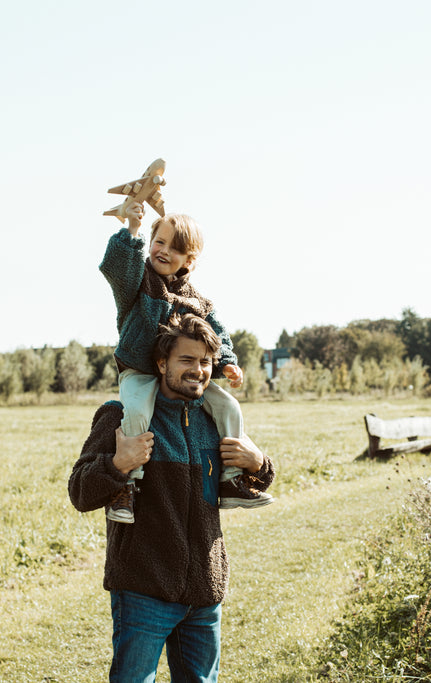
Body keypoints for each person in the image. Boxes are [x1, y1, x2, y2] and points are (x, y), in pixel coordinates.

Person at [68, 313, 276, 681]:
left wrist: (260, 464)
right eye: (186, 360)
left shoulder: (213, 419)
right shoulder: (121, 416)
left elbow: (251, 480)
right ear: (162, 363)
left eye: (205, 362)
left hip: (204, 593)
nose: (198, 370)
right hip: (143, 590)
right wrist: (118, 464)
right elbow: (80, 491)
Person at [99, 200, 272, 523]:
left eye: (175, 248)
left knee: (229, 407)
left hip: (184, 377)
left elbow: (216, 336)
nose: (163, 251)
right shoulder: (138, 283)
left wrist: (228, 364)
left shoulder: (197, 301)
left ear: (189, 261)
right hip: (139, 371)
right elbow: (116, 268)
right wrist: (132, 230)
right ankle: (127, 487)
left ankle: (232, 479)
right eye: (159, 242)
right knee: (136, 412)